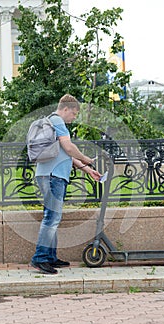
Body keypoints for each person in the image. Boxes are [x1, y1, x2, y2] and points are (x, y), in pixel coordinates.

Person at [31, 94, 102, 274]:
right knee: (52, 217)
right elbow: (69, 148)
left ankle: (50, 257)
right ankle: (40, 259)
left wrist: (87, 169)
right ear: (65, 109)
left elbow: (66, 156)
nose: (74, 118)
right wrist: (87, 158)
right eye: (74, 114)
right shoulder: (58, 122)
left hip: (49, 175)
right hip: (52, 177)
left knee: (53, 217)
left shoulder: (51, 122)